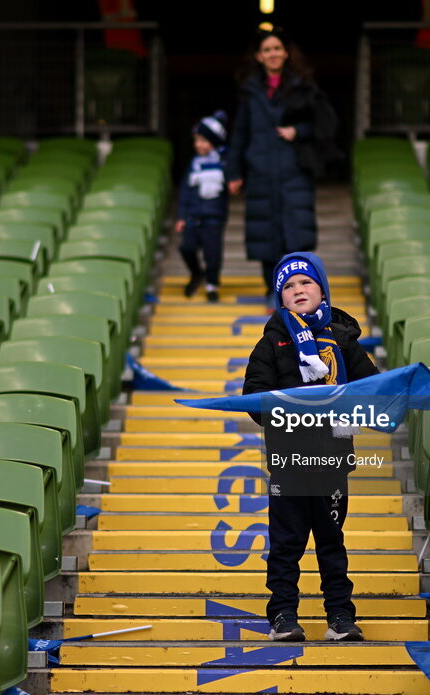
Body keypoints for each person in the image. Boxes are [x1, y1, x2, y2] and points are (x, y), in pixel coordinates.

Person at [243, 252, 379, 642]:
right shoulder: (271, 342)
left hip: (332, 462)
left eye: (305, 282)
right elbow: (254, 396)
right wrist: (297, 410)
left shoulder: (342, 338)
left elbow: (372, 386)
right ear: (280, 298)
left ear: (322, 290)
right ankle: (283, 616)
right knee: (286, 545)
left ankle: (340, 616)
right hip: (289, 463)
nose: (298, 290)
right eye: (288, 286)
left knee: (331, 543)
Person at [226, 27, 338, 298]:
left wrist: (298, 131)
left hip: (294, 170)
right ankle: (272, 292)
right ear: (259, 56)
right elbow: (240, 133)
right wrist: (233, 171)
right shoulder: (251, 91)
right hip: (260, 172)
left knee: (296, 236)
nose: (273, 54)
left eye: (277, 48)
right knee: (266, 236)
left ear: (286, 53)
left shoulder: (304, 85)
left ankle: (297, 296)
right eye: (267, 50)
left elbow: (325, 124)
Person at [176, 110, 230, 302]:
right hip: (193, 215)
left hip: (214, 217)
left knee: (212, 254)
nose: (198, 144)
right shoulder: (194, 164)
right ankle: (196, 273)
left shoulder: (225, 161)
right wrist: (181, 216)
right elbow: (185, 190)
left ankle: (212, 284)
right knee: (186, 248)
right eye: (196, 140)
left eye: (203, 140)